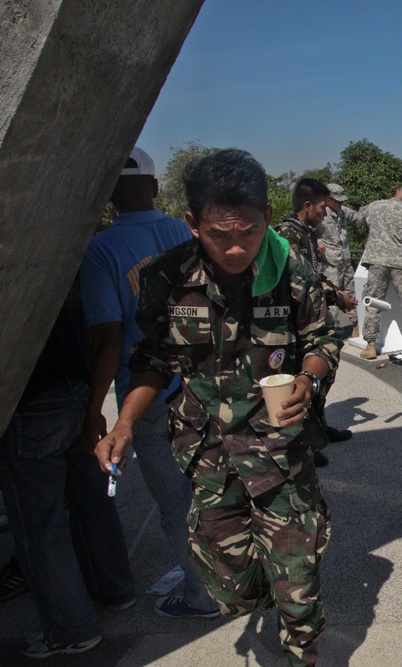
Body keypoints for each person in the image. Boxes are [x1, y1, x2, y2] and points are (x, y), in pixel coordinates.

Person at [95, 149, 339, 667]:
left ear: (266, 220)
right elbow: (154, 358)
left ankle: (301, 649)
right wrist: (124, 421)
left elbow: (322, 341)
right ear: (191, 223)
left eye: (248, 233)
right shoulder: (167, 278)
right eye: (218, 234)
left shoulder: (292, 275)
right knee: (229, 585)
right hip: (208, 453)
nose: (235, 248)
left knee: (298, 580)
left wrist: (307, 379)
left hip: (280, 450)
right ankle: (270, 583)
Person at [78, 146, 219, 620]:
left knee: (175, 498)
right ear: (156, 187)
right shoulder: (182, 231)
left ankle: (202, 594)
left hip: (147, 390)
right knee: (210, 483)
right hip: (200, 381)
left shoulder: (100, 249)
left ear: (111, 194)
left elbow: (108, 334)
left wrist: (99, 408)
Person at [0, 278, 135, 659]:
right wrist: (92, 406)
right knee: (90, 499)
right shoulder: (48, 263)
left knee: (39, 524)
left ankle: (70, 628)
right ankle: (115, 588)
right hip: (74, 387)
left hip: (29, 401)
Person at [276, 178, 355, 448]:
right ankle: (304, 441)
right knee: (301, 377)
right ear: (307, 206)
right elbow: (301, 279)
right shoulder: (289, 234)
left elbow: (316, 275)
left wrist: (336, 294)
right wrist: (338, 296)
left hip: (313, 313)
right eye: (322, 207)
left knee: (323, 371)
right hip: (297, 320)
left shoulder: (307, 233)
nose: (325, 213)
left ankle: (317, 429)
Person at [357, 182, 402, 359]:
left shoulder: (375, 206)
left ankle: (371, 346)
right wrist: (399, 248)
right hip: (400, 262)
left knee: (373, 302)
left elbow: (359, 219)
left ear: (396, 192)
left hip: (376, 262)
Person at [320, 183, 362, 338]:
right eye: (337, 201)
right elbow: (309, 230)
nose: (340, 204)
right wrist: (318, 242)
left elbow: (360, 217)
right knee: (332, 297)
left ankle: (357, 325)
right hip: (330, 264)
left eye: (342, 202)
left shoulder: (343, 212)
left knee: (352, 295)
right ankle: (332, 331)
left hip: (345, 261)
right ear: (328, 199)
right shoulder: (320, 213)